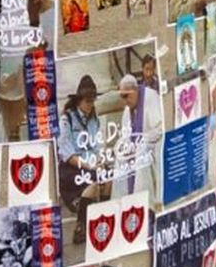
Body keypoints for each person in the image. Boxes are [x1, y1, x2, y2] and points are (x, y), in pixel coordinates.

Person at [57, 75, 110, 244]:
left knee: (108, 177)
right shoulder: (67, 119)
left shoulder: (94, 120)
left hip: (89, 163)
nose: (90, 105)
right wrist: (88, 166)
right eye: (87, 101)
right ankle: (81, 225)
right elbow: (67, 153)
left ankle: (103, 219)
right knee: (92, 181)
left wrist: (100, 160)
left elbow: (96, 145)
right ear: (79, 100)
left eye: (92, 101)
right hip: (71, 167)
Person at [112, 74, 163, 203]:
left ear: (135, 91)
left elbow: (160, 128)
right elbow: (125, 135)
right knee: (121, 158)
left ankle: (145, 202)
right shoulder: (127, 109)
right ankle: (123, 201)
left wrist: (143, 140)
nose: (125, 100)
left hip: (153, 146)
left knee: (141, 153)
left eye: (126, 96)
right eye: (122, 96)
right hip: (136, 150)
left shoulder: (150, 97)